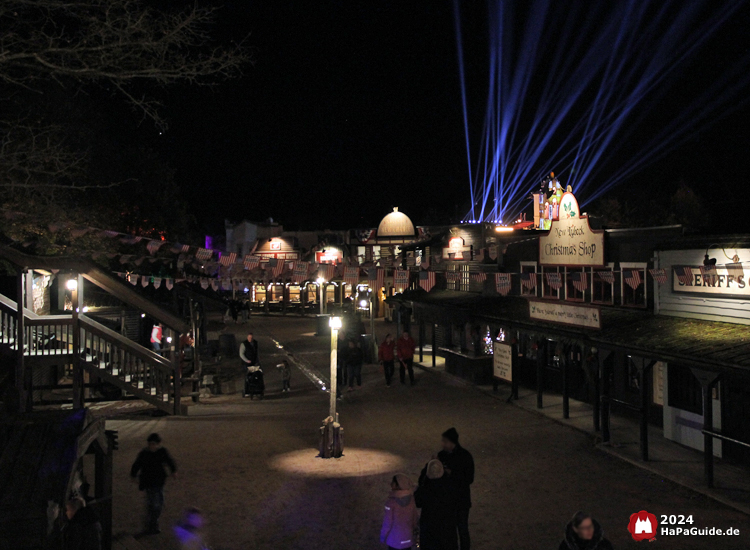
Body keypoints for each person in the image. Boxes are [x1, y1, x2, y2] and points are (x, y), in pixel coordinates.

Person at [130, 433, 178, 534]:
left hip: (159, 482)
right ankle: (152, 523)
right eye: (150, 444)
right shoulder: (144, 453)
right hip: (149, 483)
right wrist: (133, 475)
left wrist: (173, 471)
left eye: (154, 444)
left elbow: (169, 461)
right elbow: (137, 464)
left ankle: (151, 522)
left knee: (158, 504)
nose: (152, 446)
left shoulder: (162, 452)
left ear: (158, 444)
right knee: (154, 504)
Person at [438, 428, 474, 550]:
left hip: (460, 500)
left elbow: (469, 479)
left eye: (444, 441)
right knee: (450, 531)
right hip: (448, 499)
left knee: (462, 529)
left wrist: (450, 473)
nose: (442, 444)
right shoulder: (441, 455)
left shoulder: (465, 456)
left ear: (452, 442)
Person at [415, 460, 458, 550]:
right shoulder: (449, 486)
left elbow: (418, 502)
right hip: (446, 525)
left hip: (429, 526)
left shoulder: (426, 488)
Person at [380, 474, 419, 550]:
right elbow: (414, 519)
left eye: (393, 482)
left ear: (398, 485)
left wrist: (383, 537)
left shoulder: (391, 503)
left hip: (394, 541)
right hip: (408, 539)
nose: (391, 484)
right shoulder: (411, 500)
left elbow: (387, 523)